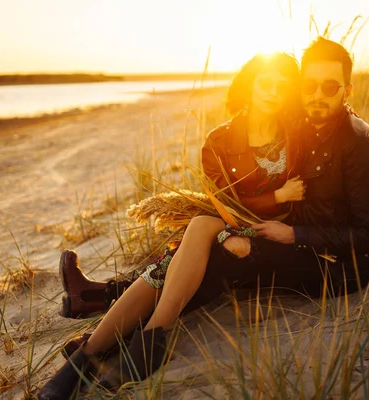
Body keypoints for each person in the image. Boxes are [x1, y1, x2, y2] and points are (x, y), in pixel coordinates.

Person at [37, 52, 307, 400]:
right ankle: (94, 354)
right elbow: (224, 204)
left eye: (284, 86)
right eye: (267, 82)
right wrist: (273, 199)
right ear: (250, 84)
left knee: (186, 241)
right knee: (180, 251)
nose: (274, 92)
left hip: (276, 239)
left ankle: (99, 336)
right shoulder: (219, 141)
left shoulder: (298, 134)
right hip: (229, 228)